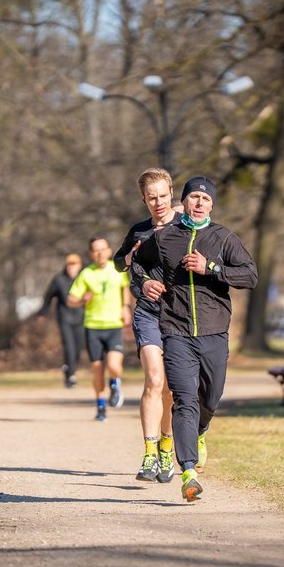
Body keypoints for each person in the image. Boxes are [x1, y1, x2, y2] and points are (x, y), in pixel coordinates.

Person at [135, 176, 258, 502]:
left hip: (214, 331)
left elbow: (250, 275)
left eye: (205, 198)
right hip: (175, 331)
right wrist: (144, 282)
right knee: (184, 399)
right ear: (184, 201)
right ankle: (188, 471)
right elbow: (137, 264)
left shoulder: (223, 237)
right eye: (193, 197)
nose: (199, 203)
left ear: (211, 205)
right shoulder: (165, 237)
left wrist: (211, 268)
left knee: (211, 397)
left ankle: (202, 431)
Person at [113, 168, 181, 483]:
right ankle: (150, 453)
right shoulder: (139, 230)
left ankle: (167, 447)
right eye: (151, 198)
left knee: (170, 388)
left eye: (163, 196)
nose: (158, 203)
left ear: (171, 194)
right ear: (144, 200)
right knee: (154, 379)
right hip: (148, 312)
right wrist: (129, 260)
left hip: (179, 315)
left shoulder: (184, 226)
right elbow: (118, 261)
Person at [68, 237, 132, 421]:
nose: (100, 253)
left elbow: (125, 288)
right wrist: (82, 300)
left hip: (114, 325)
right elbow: (70, 299)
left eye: (103, 249)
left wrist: (125, 307)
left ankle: (115, 383)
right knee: (97, 369)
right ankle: (101, 405)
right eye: (96, 250)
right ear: (91, 254)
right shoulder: (86, 274)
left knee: (113, 366)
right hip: (93, 327)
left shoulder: (117, 269)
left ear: (109, 251)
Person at [40, 253, 85, 387]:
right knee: (69, 347)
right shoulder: (59, 280)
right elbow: (48, 296)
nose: (71, 268)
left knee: (78, 348)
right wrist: (43, 312)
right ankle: (71, 376)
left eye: (74, 265)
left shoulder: (83, 278)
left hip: (81, 317)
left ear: (79, 266)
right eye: (69, 265)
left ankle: (68, 367)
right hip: (64, 317)